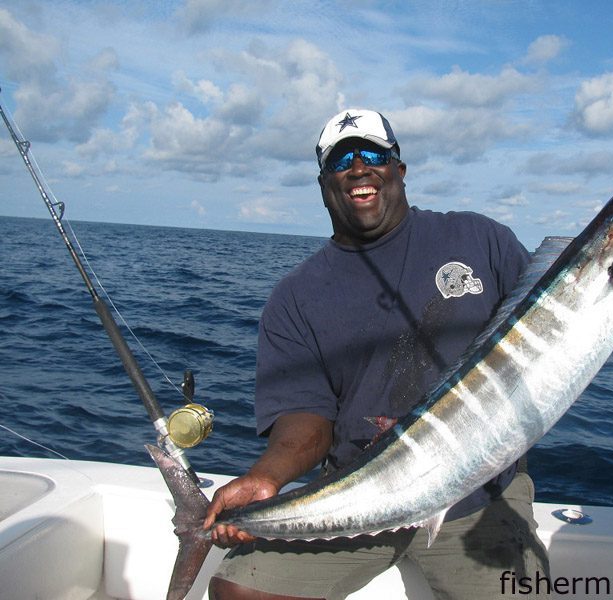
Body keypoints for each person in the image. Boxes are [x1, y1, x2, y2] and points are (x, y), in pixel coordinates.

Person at [205, 108, 550, 600]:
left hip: (479, 495)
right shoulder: (295, 297)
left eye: (373, 154)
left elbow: (561, 310)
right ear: (324, 183)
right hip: (359, 493)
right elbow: (308, 417)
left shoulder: (480, 238)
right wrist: (267, 477)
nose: (358, 167)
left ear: (399, 169)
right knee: (238, 593)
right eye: (341, 160)